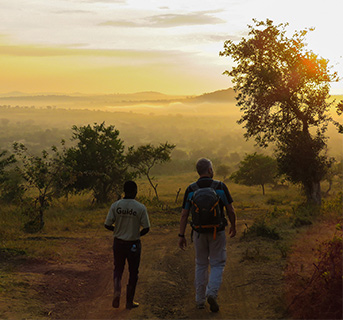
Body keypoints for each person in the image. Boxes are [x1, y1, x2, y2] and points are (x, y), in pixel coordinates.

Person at [178, 158, 236, 312]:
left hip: (198, 233)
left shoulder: (191, 189)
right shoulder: (220, 186)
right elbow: (230, 210)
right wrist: (234, 226)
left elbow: (184, 215)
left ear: (198, 171)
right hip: (218, 231)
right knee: (217, 263)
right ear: (210, 170)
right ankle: (212, 293)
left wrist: (181, 235)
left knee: (201, 264)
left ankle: (199, 300)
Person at [104, 180, 150, 310]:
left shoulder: (115, 206)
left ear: (124, 191)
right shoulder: (140, 207)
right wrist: (136, 234)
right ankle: (129, 302)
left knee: (118, 269)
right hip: (133, 244)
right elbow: (146, 228)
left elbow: (107, 225)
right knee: (133, 272)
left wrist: (118, 230)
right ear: (135, 191)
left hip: (118, 243)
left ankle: (117, 292)